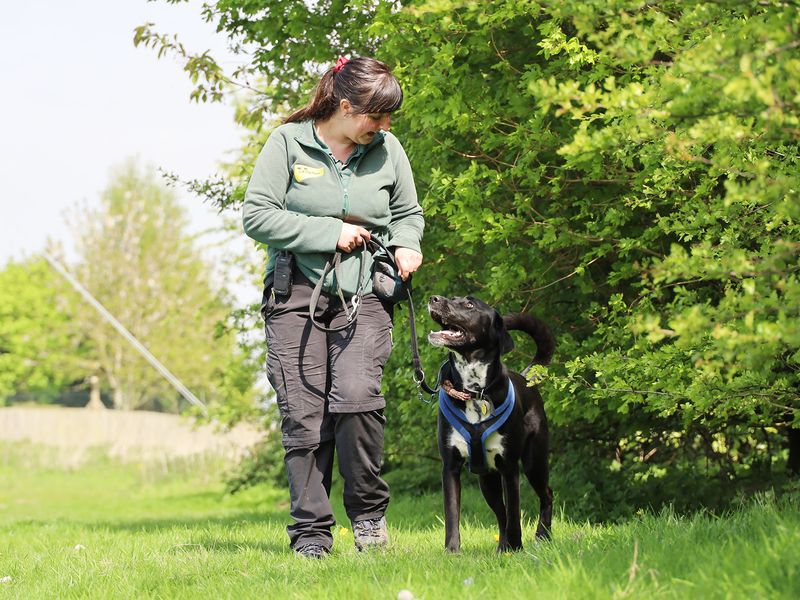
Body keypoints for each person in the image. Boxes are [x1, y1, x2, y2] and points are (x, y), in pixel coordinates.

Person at [242, 56, 424, 558]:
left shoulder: (388, 150)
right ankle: (312, 536)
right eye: (377, 117)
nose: (384, 126)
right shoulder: (288, 142)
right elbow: (257, 215)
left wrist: (408, 245)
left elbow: (408, 212)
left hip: (365, 288)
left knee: (357, 397)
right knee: (303, 416)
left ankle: (368, 517)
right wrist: (329, 232)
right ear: (346, 107)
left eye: (389, 118)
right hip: (295, 289)